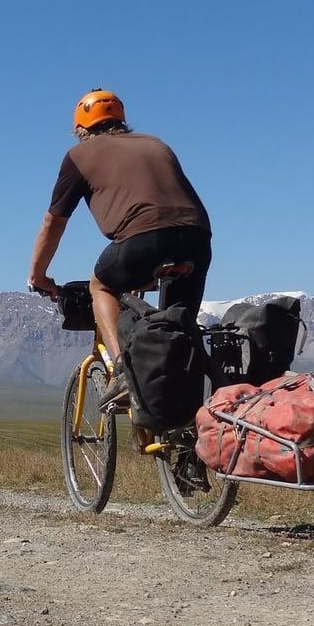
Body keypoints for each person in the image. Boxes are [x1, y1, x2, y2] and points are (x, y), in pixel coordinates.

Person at [27, 89, 213, 405]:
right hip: (197, 239)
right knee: (178, 330)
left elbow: (53, 223)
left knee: (102, 285)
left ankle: (123, 371)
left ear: (80, 129)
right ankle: (185, 427)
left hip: (143, 237)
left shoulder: (78, 156)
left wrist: (38, 275)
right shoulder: (156, 143)